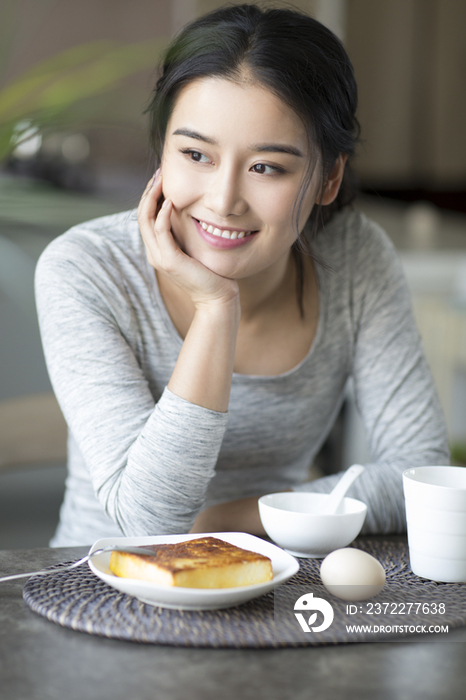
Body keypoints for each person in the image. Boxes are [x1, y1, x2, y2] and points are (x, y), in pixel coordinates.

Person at [35, 4, 449, 547]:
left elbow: (422, 478)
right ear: (162, 152)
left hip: (274, 587)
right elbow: (148, 525)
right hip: (102, 592)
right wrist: (215, 309)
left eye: (266, 167)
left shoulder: (354, 258)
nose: (224, 200)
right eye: (195, 154)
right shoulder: (87, 268)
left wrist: (236, 518)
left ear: (328, 179)